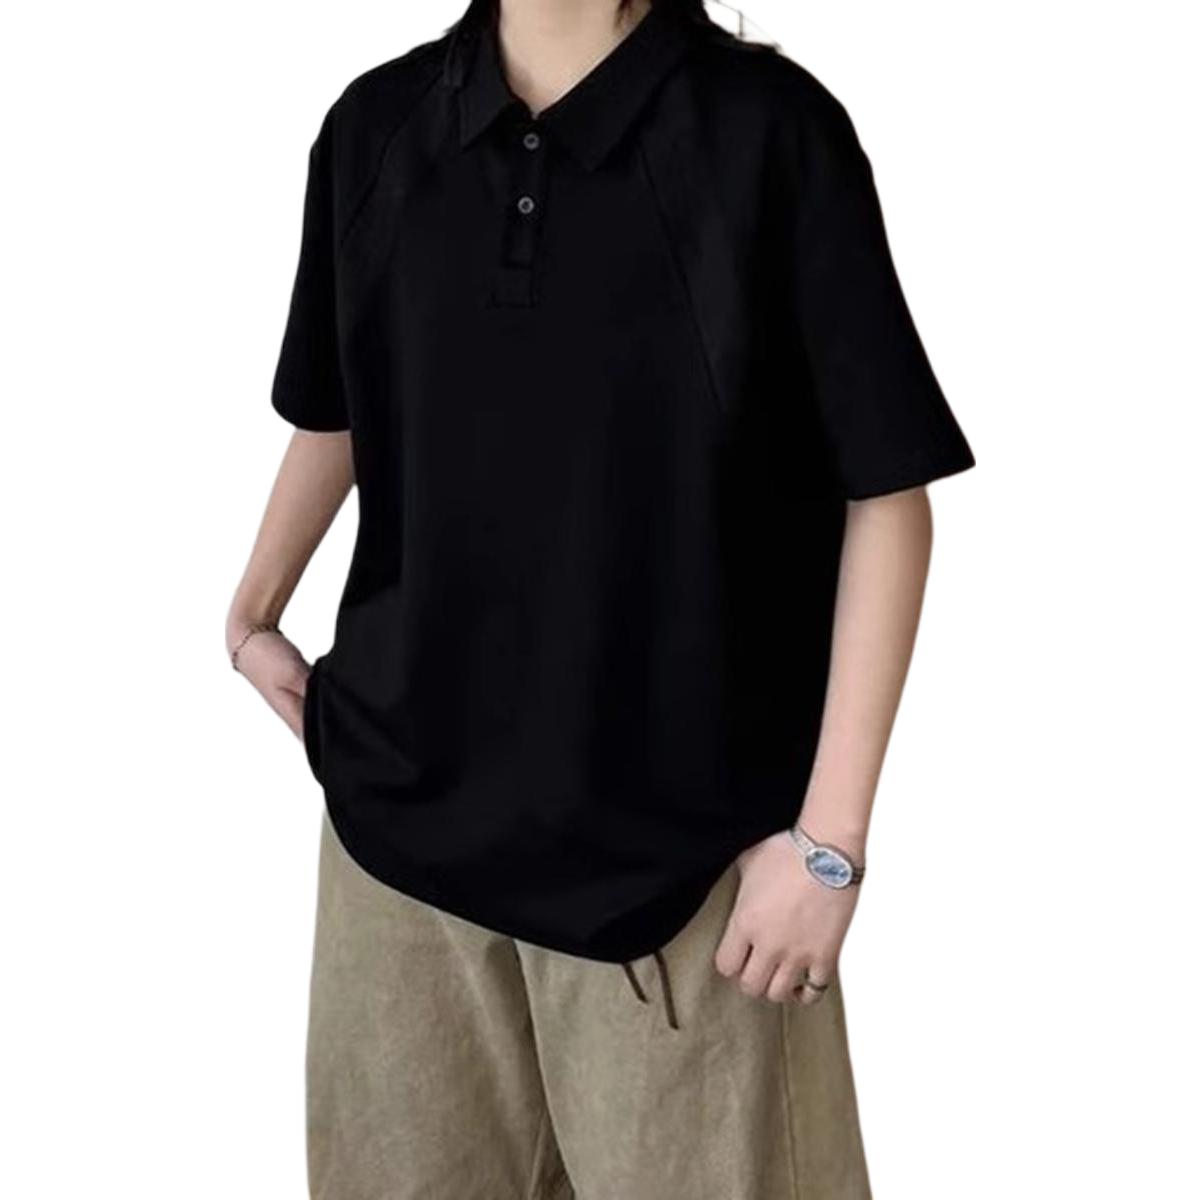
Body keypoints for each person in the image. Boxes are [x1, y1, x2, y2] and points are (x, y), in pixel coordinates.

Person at [226, 0, 974, 1195]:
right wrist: (254, 609)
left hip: (684, 883)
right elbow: (345, 403)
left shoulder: (769, 135)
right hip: (397, 866)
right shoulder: (374, 127)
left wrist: (828, 849)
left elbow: (886, 496)